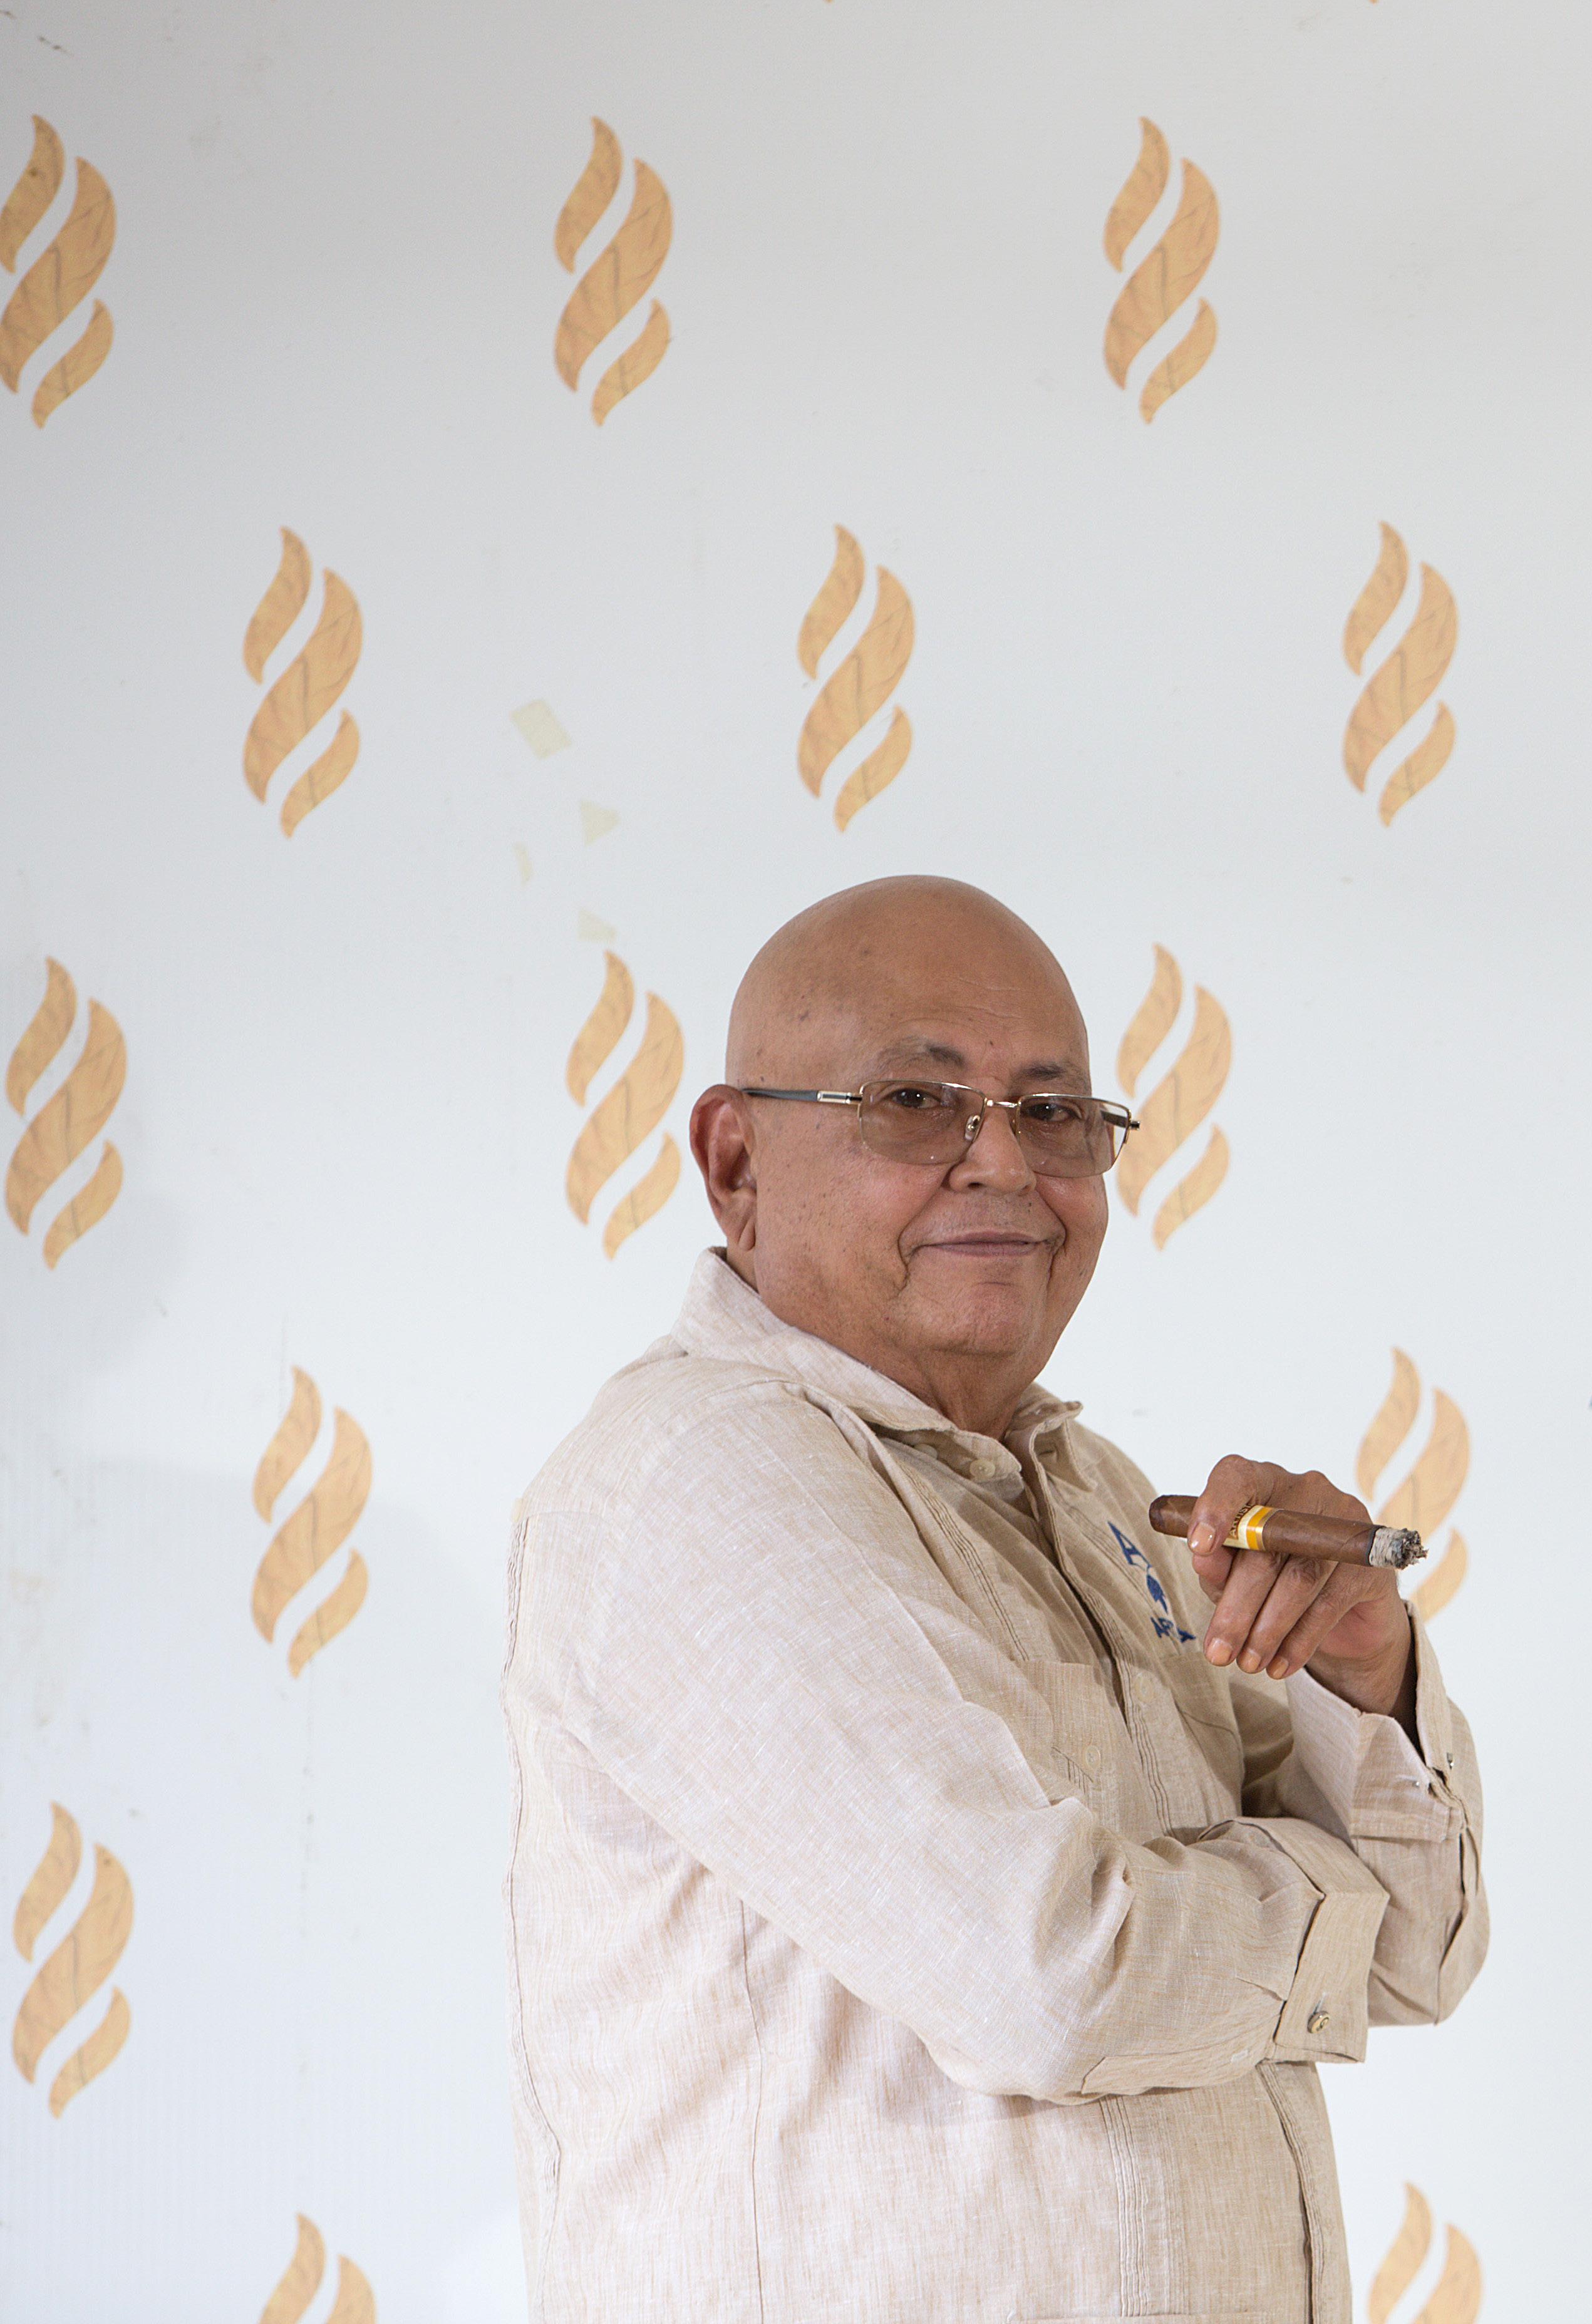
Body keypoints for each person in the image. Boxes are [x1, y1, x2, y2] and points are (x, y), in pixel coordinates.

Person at [501, 876, 1486, 2321]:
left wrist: (1355, 1667)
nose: (1006, 1164)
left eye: (1055, 1113)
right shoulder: (697, 1475)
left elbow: (1421, 1950)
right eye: (915, 1102)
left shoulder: (1096, 1493)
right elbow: (1049, 1979)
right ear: (735, 1160)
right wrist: (1319, 1899)